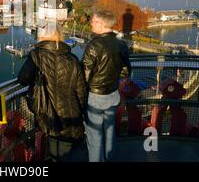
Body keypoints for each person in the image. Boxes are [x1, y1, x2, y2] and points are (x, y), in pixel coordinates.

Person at [17, 25, 88, 162]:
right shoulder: (72, 59)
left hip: (47, 113)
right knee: (66, 152)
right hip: (70, 114)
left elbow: (22, 79)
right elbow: (81, 93)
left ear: (42, 37)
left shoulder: (36, 56)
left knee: (53, 150)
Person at [82, 10, 131, 162]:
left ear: (101, 25)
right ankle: (110, 158)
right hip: (113, 94)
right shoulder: (122, 44)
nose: (91, 23)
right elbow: (125, 71)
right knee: (110, 131)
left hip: (95, 97)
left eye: (93, 21)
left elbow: (85, 75)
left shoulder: (93, 45)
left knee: (94, 135)